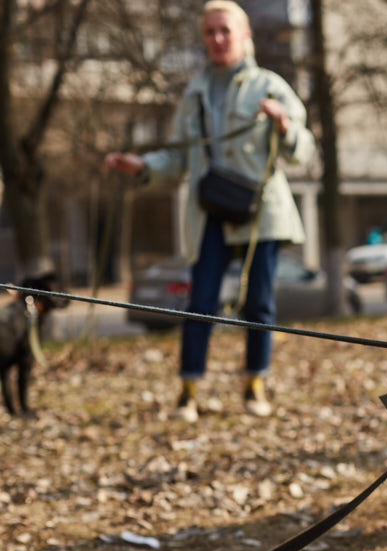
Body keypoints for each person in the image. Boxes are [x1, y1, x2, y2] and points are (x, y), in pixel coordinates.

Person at [105, 0, 314, 421]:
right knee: (200, 302)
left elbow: (303, 151)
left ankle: (256, 383)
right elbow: (179, 157)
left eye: (225, 30)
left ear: (244, 35)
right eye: (210, 32)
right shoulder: (195, 92)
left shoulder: (269, 84)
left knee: (259, 302)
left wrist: (284, 125)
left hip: (261, 212)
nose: (218, 39)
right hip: (209, 212)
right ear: (203, 39)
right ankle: (188, 390)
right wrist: (144, 166)